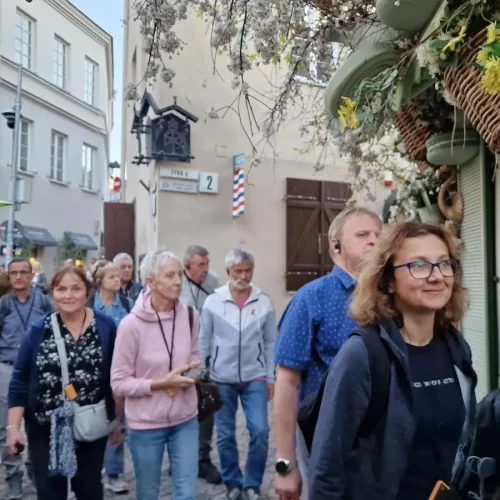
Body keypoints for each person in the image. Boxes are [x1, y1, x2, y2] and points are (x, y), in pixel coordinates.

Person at [309, 222, 476, 499]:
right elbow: (326, 469)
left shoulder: (456, 348)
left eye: (444, 263)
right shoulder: (362, 356)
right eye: (419, 265)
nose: (437, 276)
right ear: (388, 281)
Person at [273, 206, 382, 500]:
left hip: (382, 437)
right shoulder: (310, 298)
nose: (373, 240)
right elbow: (287, 382)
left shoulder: (390, 297)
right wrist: (285, 465)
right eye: (362, 234)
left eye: (378, 235)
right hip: (324, 437)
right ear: (336, 246)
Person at [6, 266, 118, 500]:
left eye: (75, 288)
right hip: (45, 427)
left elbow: (115, 376)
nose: (68, 295)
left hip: (90, 423)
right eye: (61, 289)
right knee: (50, 492)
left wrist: (117, 420)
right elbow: (20, 381)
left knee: (89, 490)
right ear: (52, 293)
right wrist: (13, 428)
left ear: (87, 291)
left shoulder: (105, 327)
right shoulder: (38, 331)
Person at [111, 249, 201, 500]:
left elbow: (195, 356)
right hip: (146, 425)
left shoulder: (190, 315)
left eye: (179, 275)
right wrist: (160, 383)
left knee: (186, 494)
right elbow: (118, 382)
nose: (178, 281)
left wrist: (195, 372)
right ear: (150, 282)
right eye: (170, 276)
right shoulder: (131, 325)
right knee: (148, 493)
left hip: (186, 418)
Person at [199, 249, 277, 500]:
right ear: (228, 271)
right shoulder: (213, 301)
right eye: (237, 271)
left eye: (247, 271)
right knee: (225, 435)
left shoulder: (263, 302)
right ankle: (232, 484)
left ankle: (252, 484)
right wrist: (202, 374)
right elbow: (204, 340)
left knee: (260, 431)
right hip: (222, 378)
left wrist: (270, 377)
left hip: (255, 377)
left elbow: (270, 343)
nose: (243, 276)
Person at [0, 257, 53, 500]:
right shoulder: (3, 305)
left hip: (38, 370)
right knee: (6, 427)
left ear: (32, 275)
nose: (19, 277)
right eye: (14, 273)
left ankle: (35, 468)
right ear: (9, 276)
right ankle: (13, 479)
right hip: (7, 369)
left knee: (38, 423)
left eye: (23, 272)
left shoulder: (43, 302)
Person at [89, 261, 132, 494]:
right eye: (112, 276)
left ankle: (113, 473)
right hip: (93, 370)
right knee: (93, 419)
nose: (118, 279)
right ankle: (92, 468)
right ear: (100, 281)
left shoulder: (127, 304)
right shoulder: (89, 305)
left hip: (120, 368)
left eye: (118, 275)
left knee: (117, 419)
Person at [179, 245, 221, 485]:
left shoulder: (213, 280)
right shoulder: (177, 284)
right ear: (187, 267)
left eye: (207, 263)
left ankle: (203, 459)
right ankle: (182, 459)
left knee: (206, 406)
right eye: (200, 265)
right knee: (181, 408)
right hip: (180, 358)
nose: (206, 269)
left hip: (206, 355)